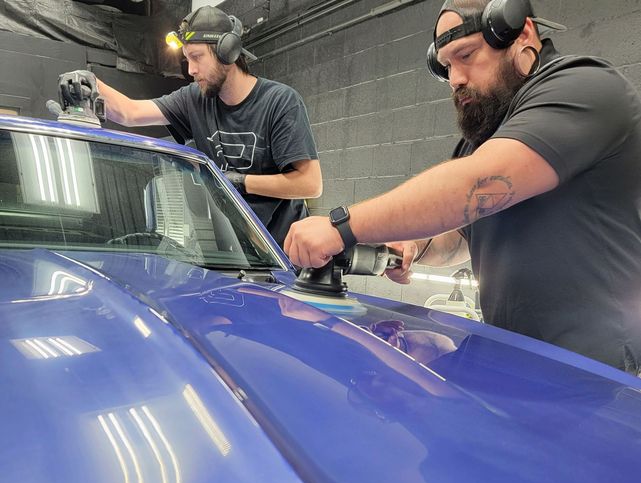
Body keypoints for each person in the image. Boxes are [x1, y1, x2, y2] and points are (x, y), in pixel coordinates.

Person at [284, 0, 641, 374]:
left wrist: (341, 227)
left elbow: (475, 185)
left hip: (599, 374)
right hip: (512, 356)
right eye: (446, 67)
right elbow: (460, 238)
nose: (454, 78)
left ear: (522, 34)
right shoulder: (489, 131)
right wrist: (416, 246)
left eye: (466, 55)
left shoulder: (586, 88)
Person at [63, 6, 321, 248]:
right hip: (238, 253)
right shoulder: (194, 99)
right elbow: (130, 112)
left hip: (287, 254)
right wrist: (90, 84)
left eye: (197, 58)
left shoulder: (280, 102)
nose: (192, 70)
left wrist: (240, 182)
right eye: (187, 59)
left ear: (228, 54)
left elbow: (310, 184)